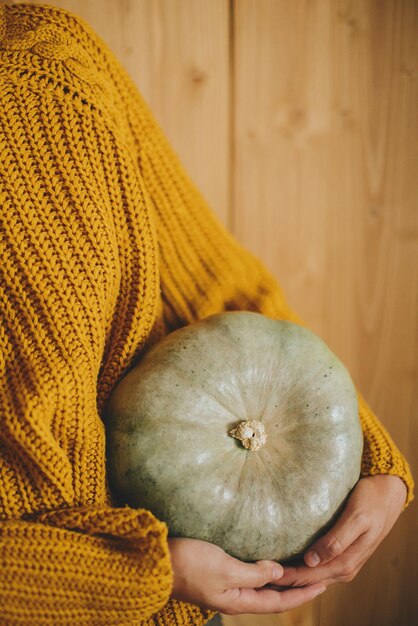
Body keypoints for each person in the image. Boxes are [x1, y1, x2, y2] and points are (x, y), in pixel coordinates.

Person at [0, 3, 413, 625]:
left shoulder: (43, 60)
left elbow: (215, 288)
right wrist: (134, 572)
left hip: (178, 593)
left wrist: (355, 456)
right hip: (143, 585)